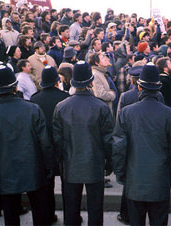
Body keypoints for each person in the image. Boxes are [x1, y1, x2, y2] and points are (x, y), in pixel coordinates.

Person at [0, 63, 53, 226]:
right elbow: (45, 143)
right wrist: (48, 168)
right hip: (34, 169)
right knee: (40, 214)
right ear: (15, 87)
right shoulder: (33, 109)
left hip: (5, 172)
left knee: (11, 217)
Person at [53, 61, 114, 226]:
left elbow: (57, 140)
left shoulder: (61, 107)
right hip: (94, 162)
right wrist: (109, 162)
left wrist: (60, 161)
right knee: (95, 208)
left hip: (71, 163)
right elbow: (108, 139)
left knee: (71, 208)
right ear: (91, 81)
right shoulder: (101, 107)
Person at [112, 63, 171, 226]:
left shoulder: (127, 113)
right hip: (160, 180)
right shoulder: (168, 114)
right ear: (158, 88)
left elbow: (119, 147)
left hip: (135, 179)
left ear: (139, 87)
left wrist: (120, 172)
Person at [30, 66, 69, 224]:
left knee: (46, 185)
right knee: (68, 186)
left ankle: (48, 215)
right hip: (64, 147)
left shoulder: (34, 99)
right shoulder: (65, 97)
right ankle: (71, 216)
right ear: (57, 81)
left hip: (42, 148)